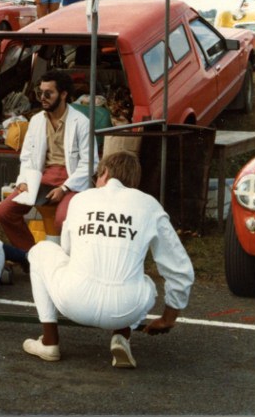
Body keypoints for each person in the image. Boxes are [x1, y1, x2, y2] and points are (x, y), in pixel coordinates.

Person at [22, 151, 195, 368]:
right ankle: (122, 336)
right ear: (133, 183)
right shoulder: (149, 205)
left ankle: (49, 341)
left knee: (41, 251)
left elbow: (67, 250)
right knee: (147, 283)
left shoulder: (80, 199)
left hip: (74, 302)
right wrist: (169, 316)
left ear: (104, 172)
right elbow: (179, 268)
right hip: (125, 309)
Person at [0, 70, 96, 261]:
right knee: (4, 212)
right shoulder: (36, 120)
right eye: (40, 93)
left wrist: (65, 188)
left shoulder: (81, 122)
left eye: (48, 93)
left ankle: (69, 262)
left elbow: (90, 163)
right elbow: (27, 157)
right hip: (41, 178)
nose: (42, 98)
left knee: (61, 220)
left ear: (64, 94)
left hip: (70, 180)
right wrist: (23, 181)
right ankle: (31, 257)